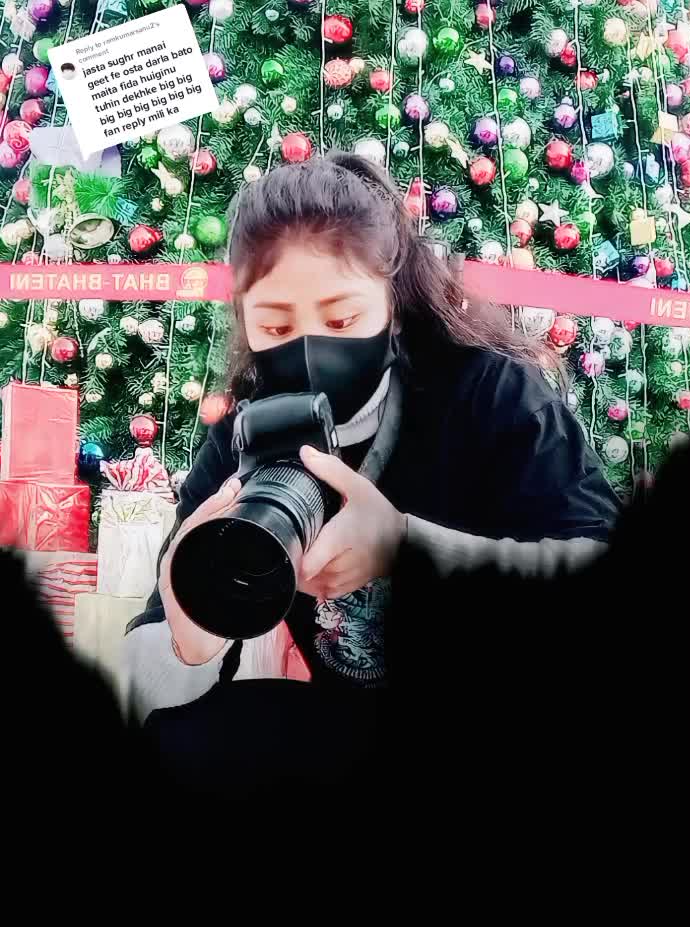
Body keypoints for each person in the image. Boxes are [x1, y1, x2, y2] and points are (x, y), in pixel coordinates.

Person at [126, 151, 619, 789]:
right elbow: (150, 681)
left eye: (342, 319)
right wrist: (185, 640)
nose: (309, 349)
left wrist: (406, 545)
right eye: (275, 324)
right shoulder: (245, 437)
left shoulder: (490, 394)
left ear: (393, 304)